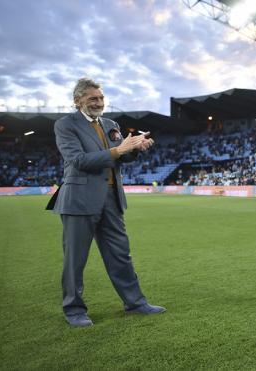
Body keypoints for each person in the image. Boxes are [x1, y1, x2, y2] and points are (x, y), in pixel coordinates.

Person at [47, 77, 165, 327]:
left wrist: (135, 148)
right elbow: (78, 160)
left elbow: (121, 157)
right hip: (79, 201)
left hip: (111, 199)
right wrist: (120, 150)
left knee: (121, 255)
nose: (99, 102)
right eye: (92, 98)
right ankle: (74, 310)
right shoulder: (65, 125)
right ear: (77, 100)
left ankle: (135, 303)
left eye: (100, 98)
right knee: (75, 260)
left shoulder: (111, 124)